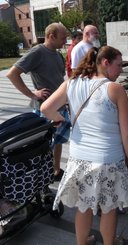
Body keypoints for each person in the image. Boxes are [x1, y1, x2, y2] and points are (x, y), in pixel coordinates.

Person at [40, 46, 128, 245]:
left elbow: (46, 107)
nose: (121, 70)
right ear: (105, 62)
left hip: (79, 159)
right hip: (108, 160)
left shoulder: (71, 83)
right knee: (109, 207)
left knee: (83, 207)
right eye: (119, 65)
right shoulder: (114, 89)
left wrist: (61, 120)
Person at [6, 22, 70, 182]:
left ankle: (56, 170)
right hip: (45, 109)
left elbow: (59, 79)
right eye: (63, 38)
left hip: (60, 107)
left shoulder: (57, 54)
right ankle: (44, 175)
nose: (65, 42)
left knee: (58, 141)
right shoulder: (37, 52)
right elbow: (12, 74)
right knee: (44, 145)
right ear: (51, 36)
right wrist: (32, 94)